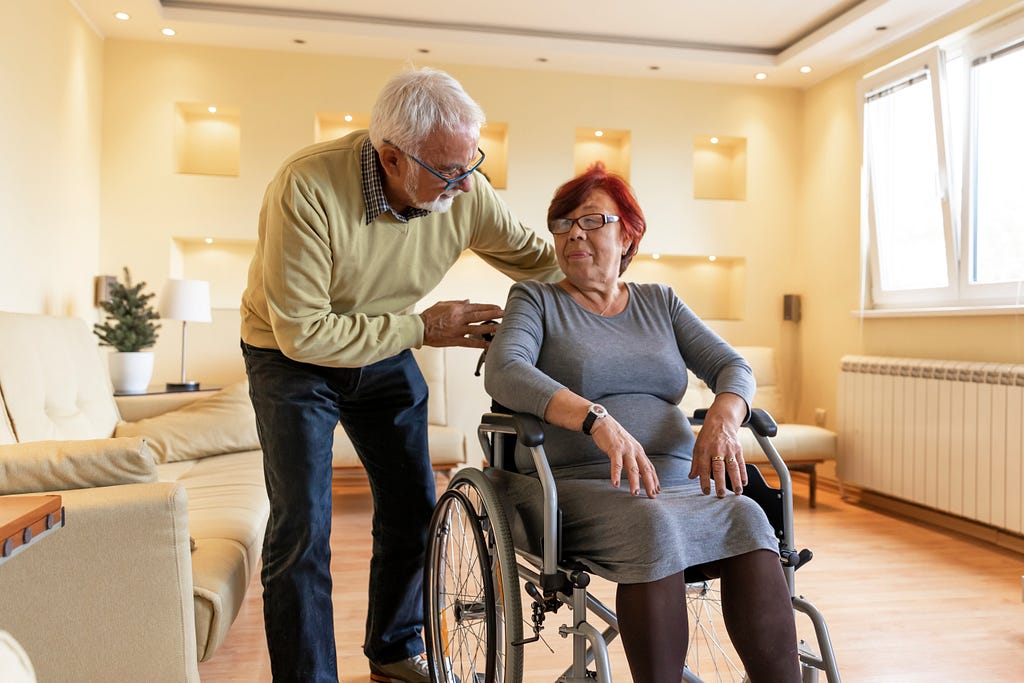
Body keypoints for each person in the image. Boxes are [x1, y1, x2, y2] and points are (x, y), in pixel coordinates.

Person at [240, 67, 561, 683]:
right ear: (391, 158)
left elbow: (539, 263)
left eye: (473, 164)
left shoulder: (464, 190)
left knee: (416, 506)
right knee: (303, 529)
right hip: (291, 359)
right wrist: (422, 328)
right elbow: (304, 333)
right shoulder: (306, 187)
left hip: (380, 346)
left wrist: (602, 269)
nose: (466, 186)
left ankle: (391, 649)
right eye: (449, 171)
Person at [483, 162, 801, 683]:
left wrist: (723, 416)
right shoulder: (536, 299)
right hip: (578, 482)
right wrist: (595, 419)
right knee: (649, 523)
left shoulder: (660, 302)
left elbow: (733, 367)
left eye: (590, 220)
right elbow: (506, 370)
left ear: (628, 233)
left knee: (748, 517)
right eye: (562, 224)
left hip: (679, 479)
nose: (573, 234)